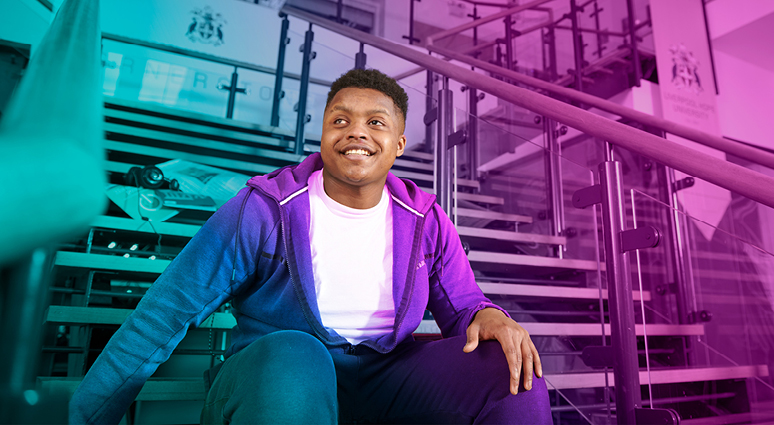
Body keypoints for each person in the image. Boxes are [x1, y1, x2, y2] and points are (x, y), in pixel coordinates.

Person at [69, 68, 552, 424]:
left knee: (508, 367)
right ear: (323, 136)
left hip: (385, 382)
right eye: (340, 120)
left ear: (400, 144)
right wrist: (87, 418)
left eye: (376, 123)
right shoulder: (263, 208)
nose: (356, 131)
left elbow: (465, 307)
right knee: (297, 359)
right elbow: (166, 312)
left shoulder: (425, 218)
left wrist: (489, 316)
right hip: (275, 382)